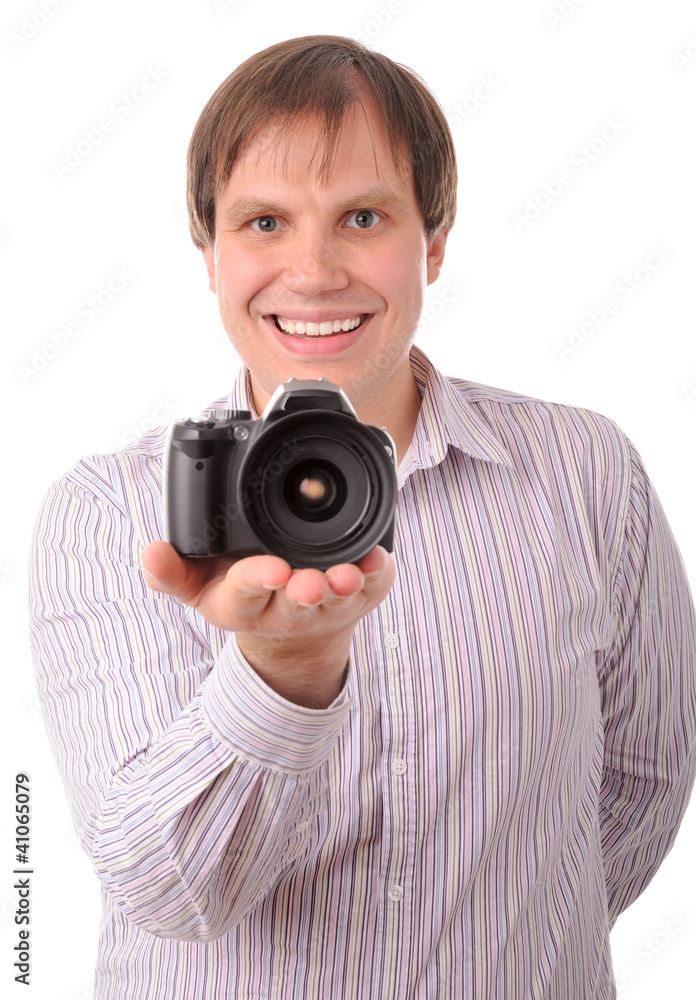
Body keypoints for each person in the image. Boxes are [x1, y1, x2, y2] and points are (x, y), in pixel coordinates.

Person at [29, 34, 696, 1000]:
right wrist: (280, 679)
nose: (312, 270)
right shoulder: (110, 513)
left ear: (432, 241)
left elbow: (644, 777)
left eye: (362, 216)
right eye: (263, 222)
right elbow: (162, 888)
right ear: (208, 255)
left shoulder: (584, 471)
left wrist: (509, 949)